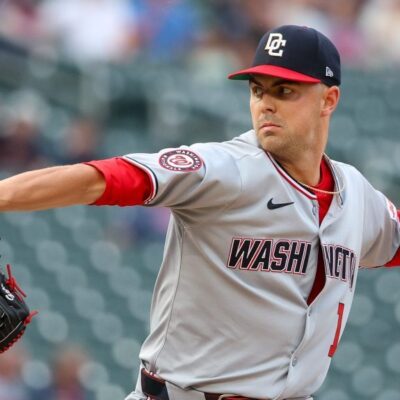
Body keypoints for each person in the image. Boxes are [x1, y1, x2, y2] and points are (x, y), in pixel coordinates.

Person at [0, 25, 399, 400]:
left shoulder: (358, 196)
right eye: (258, 91)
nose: (266, 104)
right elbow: (100, 179)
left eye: (285, 91)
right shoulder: (223, 169)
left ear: (329, 100)